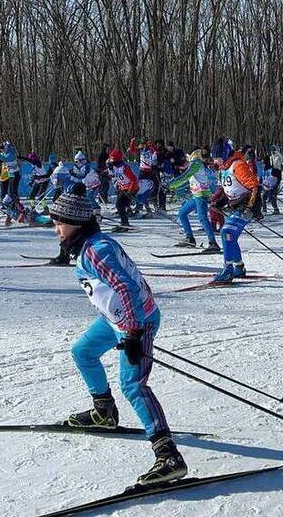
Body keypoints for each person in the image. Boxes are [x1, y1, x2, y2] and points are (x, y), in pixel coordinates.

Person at [48, 184, 187, 485]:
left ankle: (168, 455)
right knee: (83, 352)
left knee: (133, 385)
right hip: (116, 321)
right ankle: (104, 412)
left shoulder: (96, 250)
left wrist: (135, 333)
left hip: (138, 322)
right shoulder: (88, 244)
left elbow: (127, 288)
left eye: (59, 222)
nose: (55, 228)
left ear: (77, 224)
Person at [210, 147, 260, 282]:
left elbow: (254, 186)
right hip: (236, 206)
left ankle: (228, 270)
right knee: (230, 236)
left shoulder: (238, 165)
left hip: (246, 206)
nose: (215, 160)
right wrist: (217, 202)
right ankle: (239, 267)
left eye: (217, 157)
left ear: (224, 155)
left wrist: (250, 207)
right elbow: (227, 189)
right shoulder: (223, 168)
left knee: (227, 232)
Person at [169, 149, 220, 251]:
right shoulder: (196, 162)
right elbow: (186, 173)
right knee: (182, 213)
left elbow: (186, 175)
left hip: (201, 194)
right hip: (196, 194)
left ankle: (213, 243)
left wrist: (172, 184)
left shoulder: (197, 163)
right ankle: (190, 238)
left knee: (202, 218)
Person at [107, 149, 139, 227]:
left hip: (131, 188)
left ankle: (125, 222)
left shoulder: (124, 168)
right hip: (123, 188)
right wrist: (117, 185)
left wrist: (130, 191)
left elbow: (134, 180)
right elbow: (115, 177)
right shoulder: (114, 167)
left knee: (120, 205)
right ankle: (124, 222)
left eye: (114, 161)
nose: (112, 163)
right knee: (120, 205)